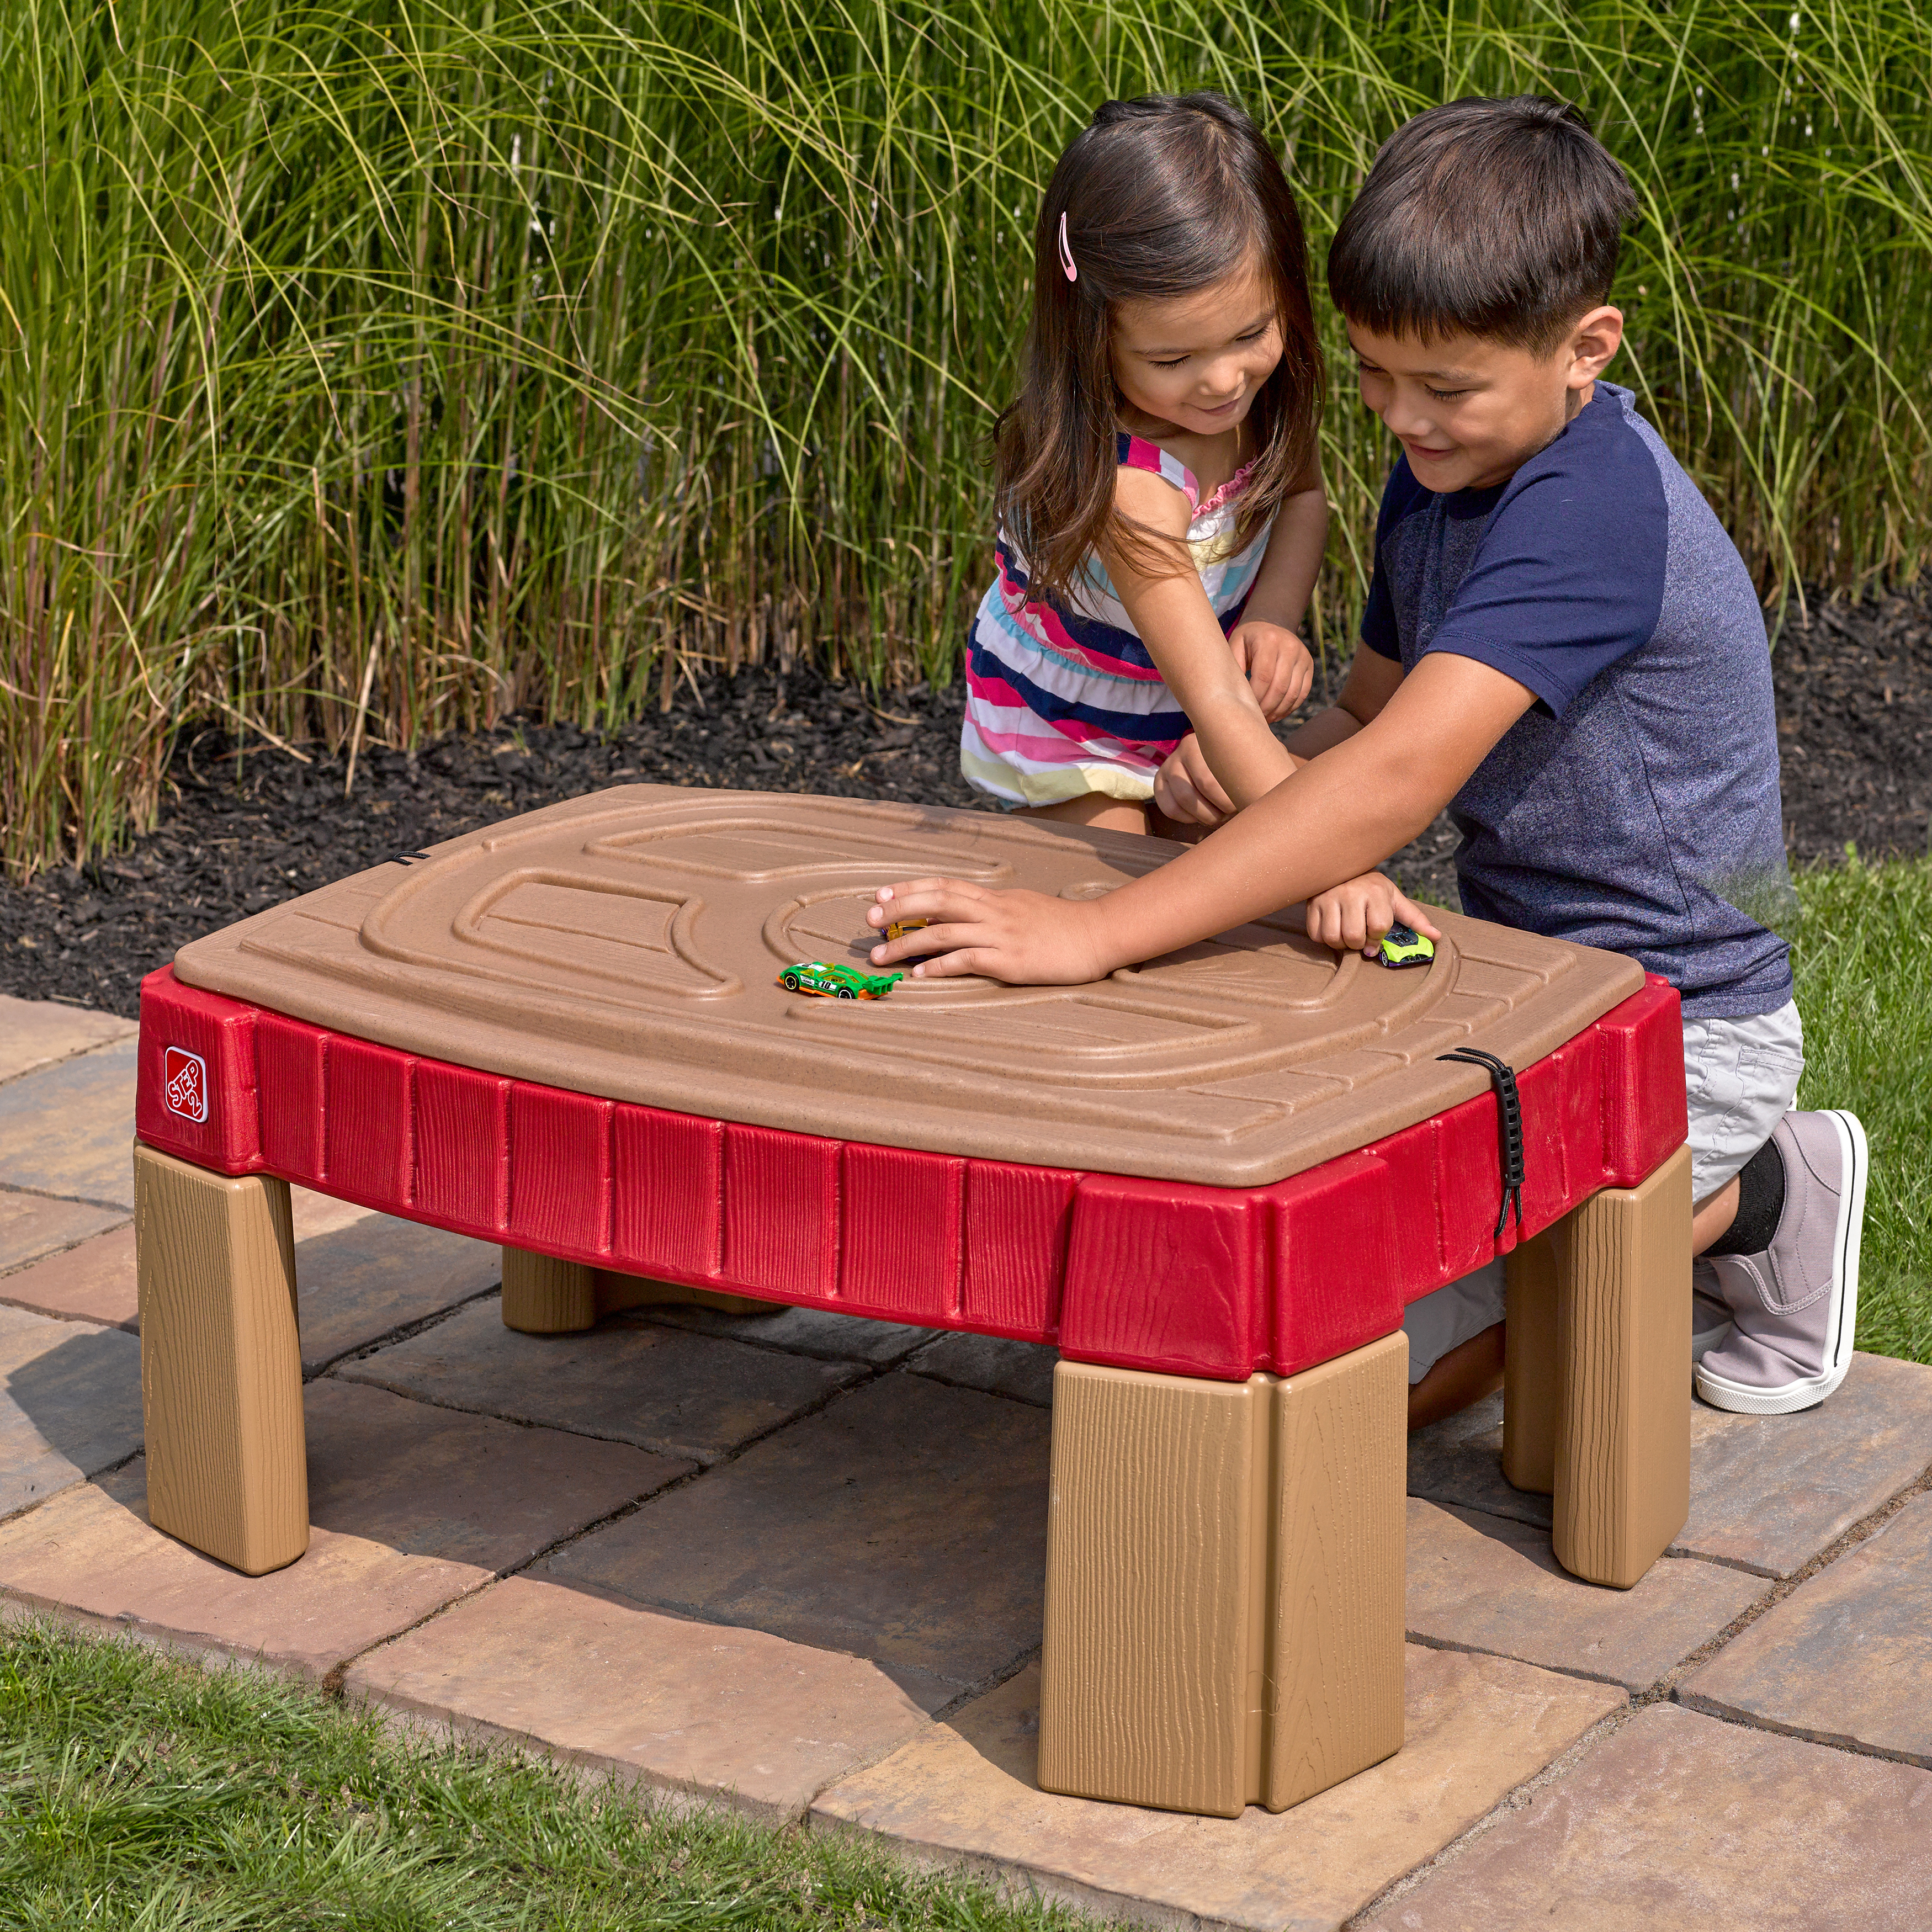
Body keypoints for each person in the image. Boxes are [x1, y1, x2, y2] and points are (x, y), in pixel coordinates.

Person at [874, 94, 1867, 1428]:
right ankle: (1657, 1209)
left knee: (1343, 1391)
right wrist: (1255, 784)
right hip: (1517, 986)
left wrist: (1095, 930)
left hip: (1679, 1023)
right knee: (1288, 1277)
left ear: (1585, 349)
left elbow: (1397, 782)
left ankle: (1768, 1185)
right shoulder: (1439, 465)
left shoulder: (1592, 511)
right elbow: (1365, 724)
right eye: (1378, 376)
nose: (1400, 419)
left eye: (1441, 387)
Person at [961, 93, 1381, 863]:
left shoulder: (1262, 400)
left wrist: (1274, 619)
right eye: (1171, 360)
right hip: (1078, 729)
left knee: (1225, 879)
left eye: (1251, 333)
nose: (1223, 382)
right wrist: (1330, 866)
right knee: (1133, 893)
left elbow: (1301, 496)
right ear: (1095, 341)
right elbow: (1221, 702)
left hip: (1185, 703)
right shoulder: (1131, 490)